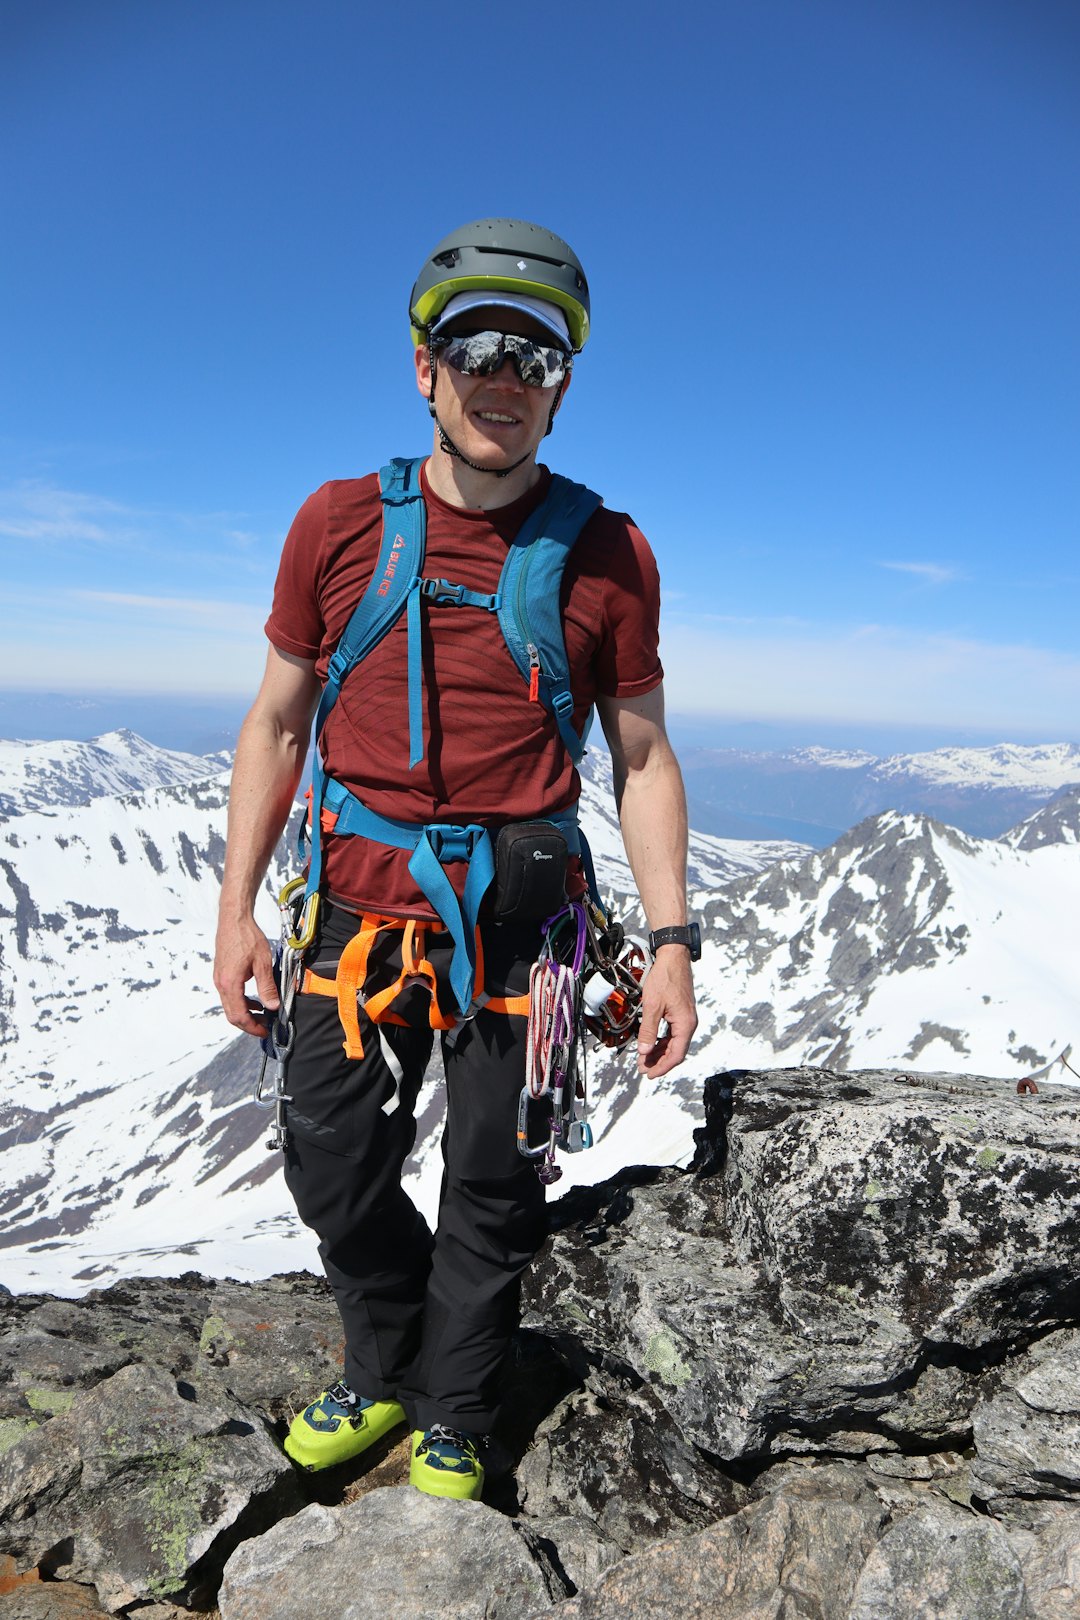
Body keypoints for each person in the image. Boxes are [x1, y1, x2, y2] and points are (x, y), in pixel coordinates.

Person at [214, 218, 698, 1501]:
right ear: (424, 369)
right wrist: (236, 909)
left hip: (522, 924)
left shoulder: (608, 553)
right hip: (353, 911)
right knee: (329, 1158)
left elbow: (643, 756)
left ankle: (456, 1405)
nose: (504, 377)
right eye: (476, 348)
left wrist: (671, 943)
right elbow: (277, 723)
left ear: (562, 387)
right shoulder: (335, 525)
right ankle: (388, 1362)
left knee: (496, 1174)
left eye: (534, 358)